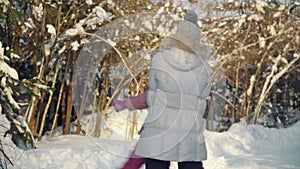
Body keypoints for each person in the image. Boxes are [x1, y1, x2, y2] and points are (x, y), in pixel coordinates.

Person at [114, 10, 212, 169]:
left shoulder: (160, 59)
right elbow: (204, 96)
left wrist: (127, 104)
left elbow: (153, 90)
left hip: (159, 130)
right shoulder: (204, 67)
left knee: (155, 159)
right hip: (189, 131)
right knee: (190, 161)